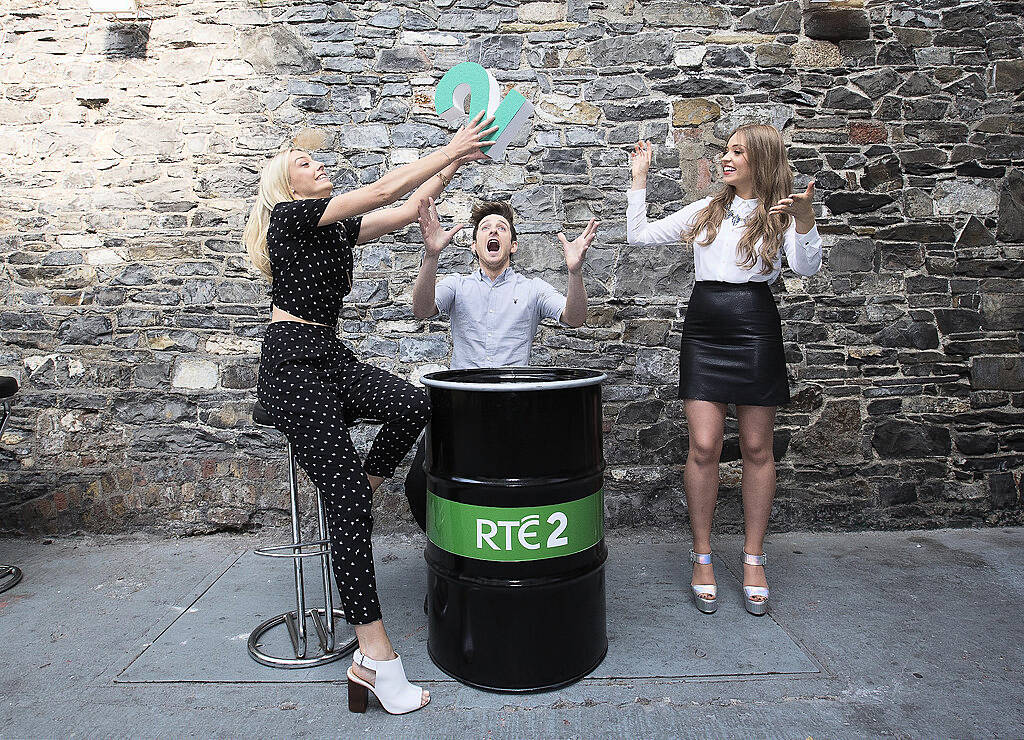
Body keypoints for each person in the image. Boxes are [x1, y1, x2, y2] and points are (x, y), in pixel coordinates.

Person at [243, 112, 495, 715]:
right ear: (286, 187)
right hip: (291, 364)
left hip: (327, 354)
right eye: (303, 163)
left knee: (414, 402)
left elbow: (408, 208)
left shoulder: (333, 228)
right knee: (349, 506)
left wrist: (458, 163)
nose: (316, 164)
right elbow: (386, 189)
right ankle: (375, 658)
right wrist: (448, 144)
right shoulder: (290, 219)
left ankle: (364, 483)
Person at [626, 124, 822, 616]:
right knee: (705, 445)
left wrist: (804, 219)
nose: (726, 158)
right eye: (726, 150)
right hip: (705, 330)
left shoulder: (777, 214)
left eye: (737, 151)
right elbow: (639, 236)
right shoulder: (706, 210)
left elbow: (806, 268)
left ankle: (754, 559)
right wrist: (639, 181)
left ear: (760, 159)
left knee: (757, 447)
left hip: (755, 330)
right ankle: (703, 555)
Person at [403, 198, 598, 531]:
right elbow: (421, 310)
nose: (493, 232)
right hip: (458, 406)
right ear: (476, 244)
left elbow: (575, 318)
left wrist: (575, 273)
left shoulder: (533, 289)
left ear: (513, 245)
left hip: (513, 408)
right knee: (419, 485)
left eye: (502, 228)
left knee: (510, 489)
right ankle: (449, 545)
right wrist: (432, 255)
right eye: (485, 229)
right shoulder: (457, 286)